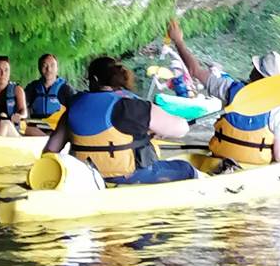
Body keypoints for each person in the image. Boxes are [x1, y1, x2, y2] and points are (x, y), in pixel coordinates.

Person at [44, 55, 198, 184]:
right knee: (187, 169)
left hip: (85, 180)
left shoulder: (73, 107)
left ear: (94, 79)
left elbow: (50, 151)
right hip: (130, 178)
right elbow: (182, 129)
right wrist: (156, 131)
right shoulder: (131, 105)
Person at [166, 19, 280, 164]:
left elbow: (194, 70)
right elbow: (279, 155)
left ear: (257, 73)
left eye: (255, 67)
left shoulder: (228, 88)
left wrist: (178, 41)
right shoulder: (279, 108)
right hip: (255, 164)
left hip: (220, 156)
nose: (252, 68)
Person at [23, 53, 77, 136]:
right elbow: (22, 106)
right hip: (35, 128)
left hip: (57, 129)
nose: (49, 69)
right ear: (39, 68)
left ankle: (50, 140)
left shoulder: (66, 89)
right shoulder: (32, 87)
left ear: (57, 68)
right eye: (45, 66)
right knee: (23, 128)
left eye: (52, 65)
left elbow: (75, 111)